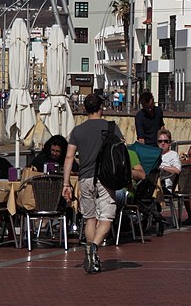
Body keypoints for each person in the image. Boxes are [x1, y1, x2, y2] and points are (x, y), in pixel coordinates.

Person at [63, 93, 118, 274]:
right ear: (101, 108)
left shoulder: (77, 131)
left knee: (90, 218)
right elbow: (120, 150)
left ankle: (89, 252)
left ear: (85, 109)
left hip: (85, 178)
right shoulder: (111, 127)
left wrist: (66, 184)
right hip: (105, 178)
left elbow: (69, 157)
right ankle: (95, 247)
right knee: (106, 218)